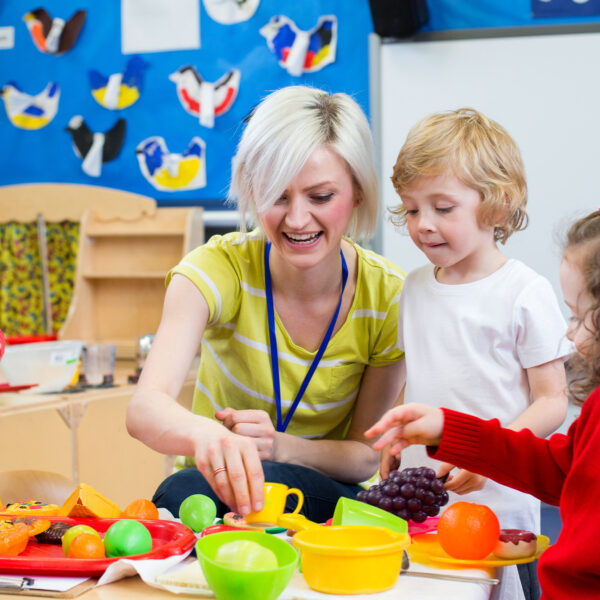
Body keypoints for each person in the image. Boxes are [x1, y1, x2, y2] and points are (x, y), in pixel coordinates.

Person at [126, 85, 406, 523]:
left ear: (358, 193)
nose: (296, 219)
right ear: (252, 192)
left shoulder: (388, 297)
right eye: (277, 195)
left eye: (320, 197)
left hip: (327, 496)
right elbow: (145, 408)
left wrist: (279, 447)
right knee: (183, 489)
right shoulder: (219, 269)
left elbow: (365, 458)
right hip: (216, 489)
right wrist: (211, 438)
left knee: (239, 486)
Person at [365, 210, 600, 599]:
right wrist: (451, 431)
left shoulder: (521, 290)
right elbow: (561, 470)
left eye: (578, 316)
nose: (568, 332)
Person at [386, 108, 571, 600]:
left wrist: (489, 456)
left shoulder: (524, 291)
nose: (423, 225)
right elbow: (418, 378)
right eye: (411, 209)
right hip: (425, 499)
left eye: (442, 208)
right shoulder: (415, 287)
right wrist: (394, 437)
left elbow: (552, 401)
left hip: (500, 504)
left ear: (497, 205)